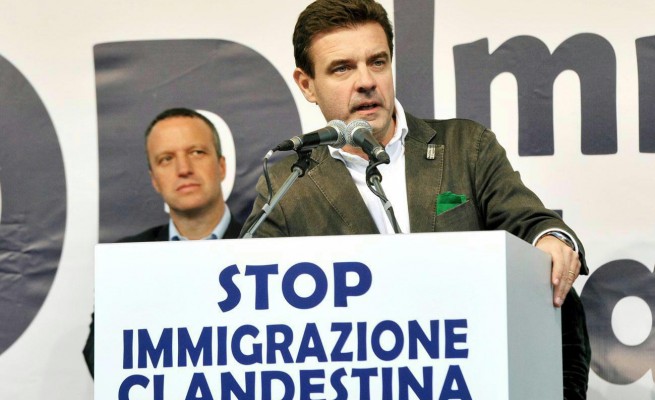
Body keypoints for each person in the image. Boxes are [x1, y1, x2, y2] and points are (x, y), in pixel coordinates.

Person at [242, 0, 590, 398]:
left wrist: (551, 241)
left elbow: (532, 223)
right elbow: (248, 303)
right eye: (342, 68)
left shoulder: (465, 147)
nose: (366, 81)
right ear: (307, 85)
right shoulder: (288, 186)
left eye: (377, 62)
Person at [83, 107, 242, 376]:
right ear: (154, 180)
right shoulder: (127, 261)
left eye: (196, 152)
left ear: (221, 166)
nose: (184, 169)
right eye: (166, 159)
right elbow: (100, 359)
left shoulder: (268, 246)